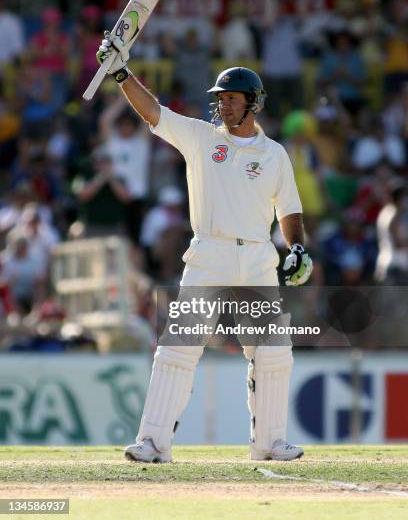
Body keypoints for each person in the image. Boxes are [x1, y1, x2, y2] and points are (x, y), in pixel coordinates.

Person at [96, 32, 313, 462]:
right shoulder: (200, 137)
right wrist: (120, 72)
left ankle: (269, 444)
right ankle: (153, 444)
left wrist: (298, 250)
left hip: (256, 258)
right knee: (178, 348)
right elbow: (154, 113)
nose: (224, 104)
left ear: (254, 102)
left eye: (232, 98)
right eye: (221, 97)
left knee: (273, 354)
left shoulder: (275, 154)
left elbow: (289, 212)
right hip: (208, 255)